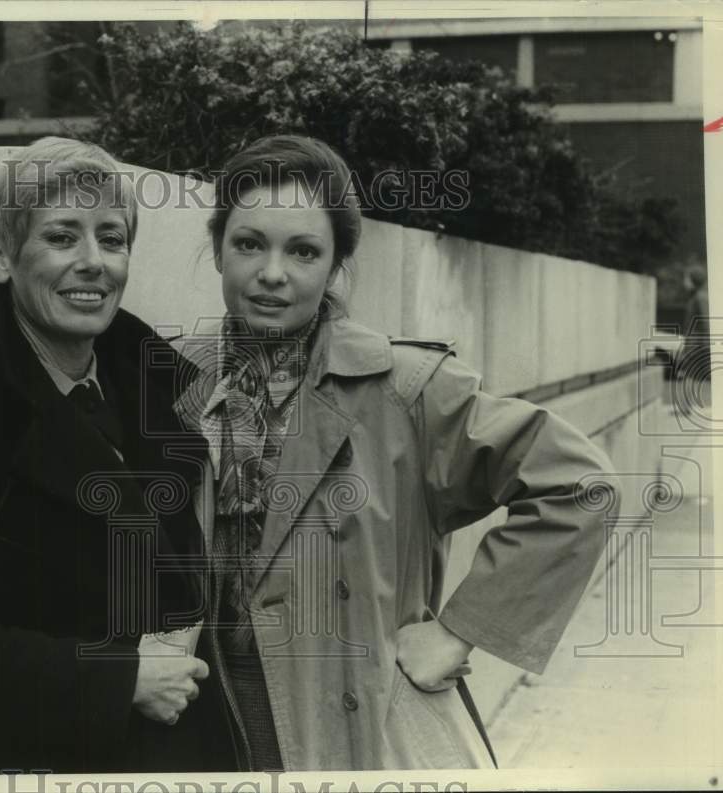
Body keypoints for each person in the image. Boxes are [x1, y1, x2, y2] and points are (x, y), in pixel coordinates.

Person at [168, 135, 618, 770]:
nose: (273, 273)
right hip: (209, 726)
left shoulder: (403, 389)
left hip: (356, 733)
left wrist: (460, 631)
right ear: (218, 250)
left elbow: (579, 487)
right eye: (249, 244)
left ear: (335, 265)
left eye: (303, 251)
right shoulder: (171, 384)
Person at [0, 137, 237, 774]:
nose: (94, 263)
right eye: (62, 237)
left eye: (111, 239)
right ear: (1, 255)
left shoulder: (161, 397)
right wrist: (123, 679)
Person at [676, 265, 711, 416]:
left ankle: (685, 407)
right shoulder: (695, 297)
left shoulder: (700, 298)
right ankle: (686, 407)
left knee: (688, 374)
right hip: (693, 342)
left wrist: (698, 345)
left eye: (687, 278)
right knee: (688, 375)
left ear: (693, 280)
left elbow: (705, 322)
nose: (685, 282)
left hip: (696, 343)